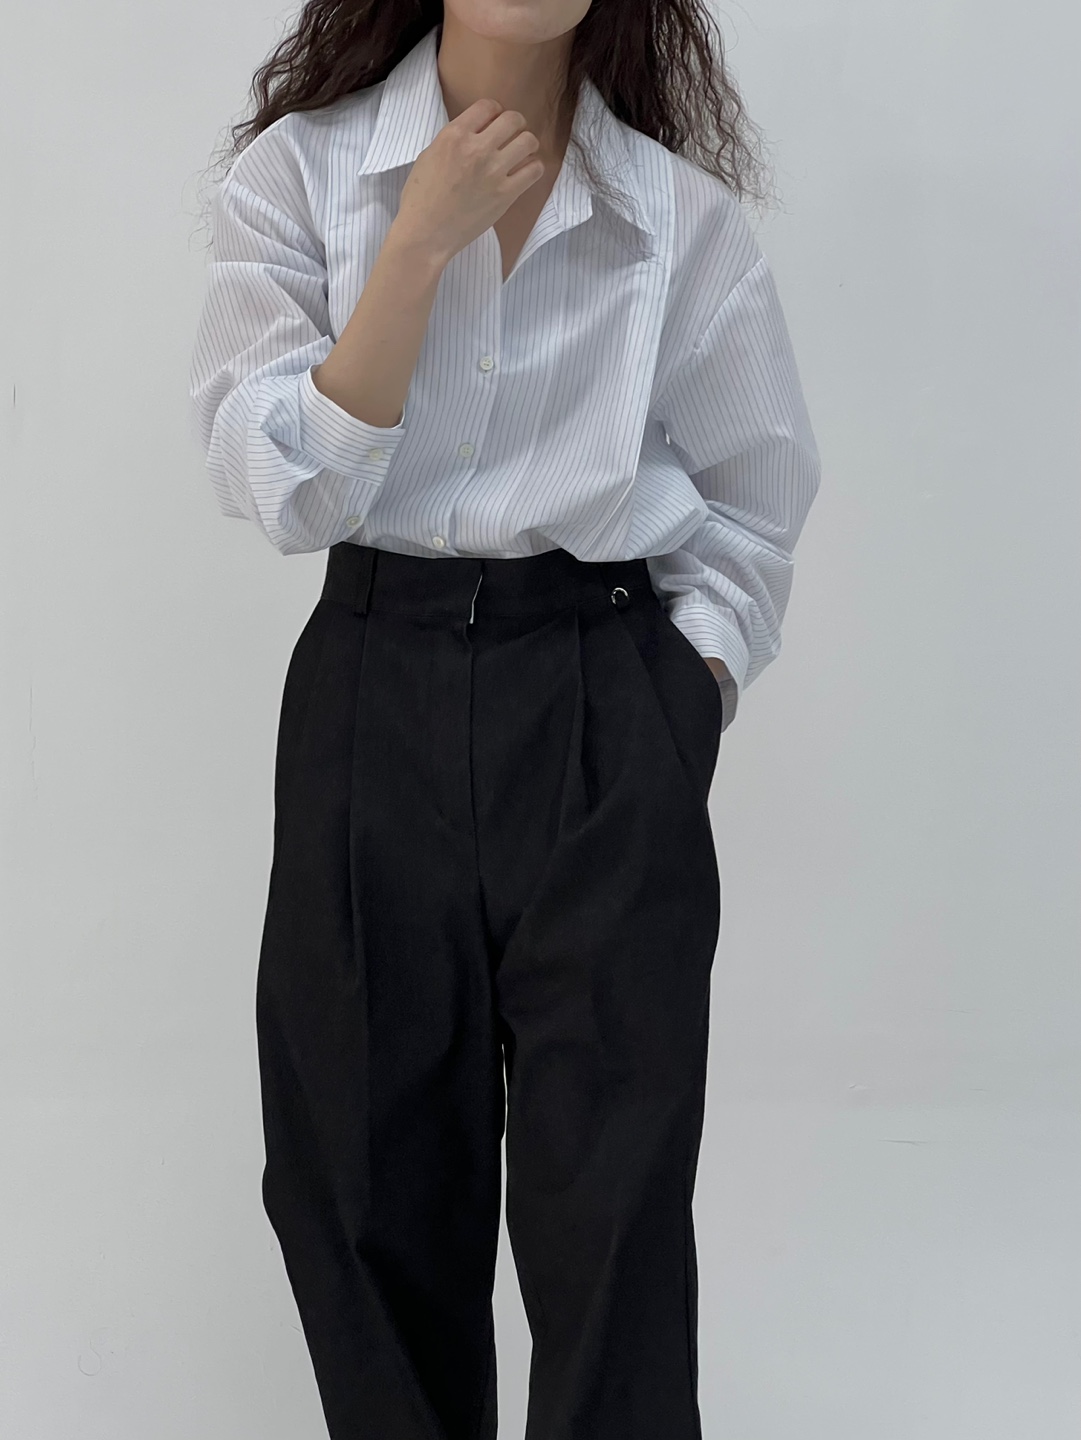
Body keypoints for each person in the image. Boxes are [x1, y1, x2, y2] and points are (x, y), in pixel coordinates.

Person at [189, 3, 820, 1436]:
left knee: (614, 1205)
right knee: (357, 1185)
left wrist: (679, 702)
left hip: (602, 701)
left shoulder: (676, 217)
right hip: (372, 689)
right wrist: (418, 243)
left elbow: (756, 498)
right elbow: (279, 487)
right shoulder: (303, 174)